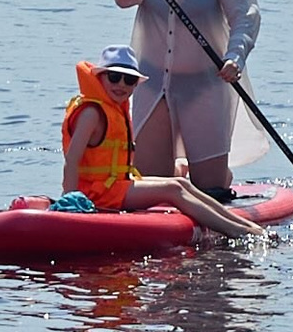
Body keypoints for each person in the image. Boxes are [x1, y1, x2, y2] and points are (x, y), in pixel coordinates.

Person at [112, 0, 260, 203]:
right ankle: (177, 177)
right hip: (153, 85)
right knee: (151, 184)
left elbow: (246, 15)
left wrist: (235, 57)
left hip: (205, 86)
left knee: (212, 189)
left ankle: (211, 181)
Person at [63, 44, 265, 238]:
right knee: (173, 190)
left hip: (115, 185)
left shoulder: (114, 108)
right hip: (97, 193)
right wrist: (70, 201)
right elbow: (72, 160)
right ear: (100, 77)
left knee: (180, 182)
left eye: (129, 80)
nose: (121, 85)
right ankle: (237, 231)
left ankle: (245, 224)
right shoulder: (92, 113)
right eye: (114, 77)